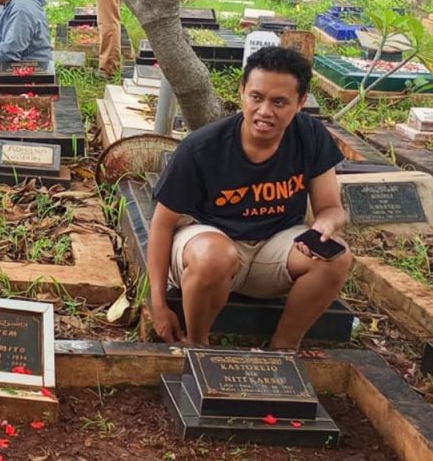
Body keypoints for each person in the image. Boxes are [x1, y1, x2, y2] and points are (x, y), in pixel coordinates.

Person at [147, 47, 351, 351]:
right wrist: (158, 304)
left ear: (300, 103)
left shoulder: (310, 135)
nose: (265, 111)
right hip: (210, 244)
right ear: (242, 92)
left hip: (275, 247)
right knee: (214, 256)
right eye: (256, 97)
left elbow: (332, 209)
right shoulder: (203, 148)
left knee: (336, 256)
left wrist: (324, 225)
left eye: (279, 102)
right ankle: (198, 343)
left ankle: (283, 348)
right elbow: (162, 225)